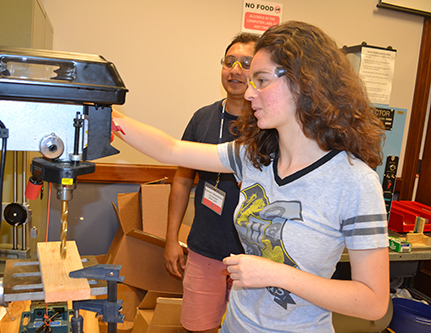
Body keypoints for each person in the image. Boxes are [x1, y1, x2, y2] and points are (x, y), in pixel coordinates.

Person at [112, 21, 389, 333]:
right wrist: (104, 115)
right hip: (237, 325)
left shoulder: (355, 183)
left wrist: (277, 274)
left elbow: (373, 301)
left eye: (260, 80)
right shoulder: (254, 155)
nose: (249, 92)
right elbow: (170, 149)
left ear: (303, 82)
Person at [164, 32, 259, 333]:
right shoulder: (202, 119)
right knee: (198, 328)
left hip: (254, 257)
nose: (235, 70)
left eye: (246, 63)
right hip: (204, 250)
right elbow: (181, 181)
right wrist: (171, 239)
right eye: (229, 62)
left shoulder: (269, 124)